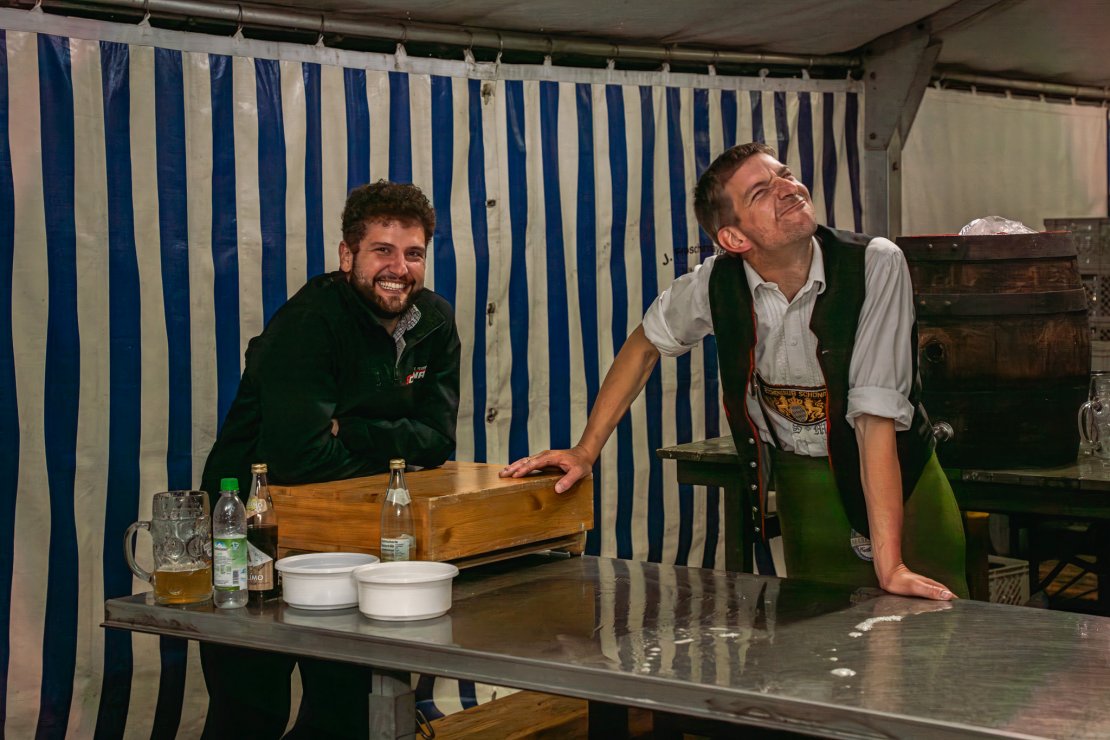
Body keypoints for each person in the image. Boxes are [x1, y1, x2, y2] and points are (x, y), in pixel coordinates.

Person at [502, 142, 967, 602]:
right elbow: (644, 345)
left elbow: (873, 417)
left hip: (901, 484)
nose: (787, 188)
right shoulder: (716, 283)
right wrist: (586, 450)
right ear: (735, 239)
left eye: (785, 174)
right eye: (761, 192)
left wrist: (891, 564)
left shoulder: (875, 262)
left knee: (934, 636)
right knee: (822, 637)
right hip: (805, 487)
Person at [200, 180, 461, 739]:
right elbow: (302, 458)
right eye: (382, 250)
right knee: (250, 714)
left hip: (349, 539)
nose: (399, 268)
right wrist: (395, 457)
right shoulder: (309, 322)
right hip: (254, 537)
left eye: (413, 253)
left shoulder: (436, 320)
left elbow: (438, 440)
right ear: (348, 256)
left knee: (347, 713)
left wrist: (355, 428)